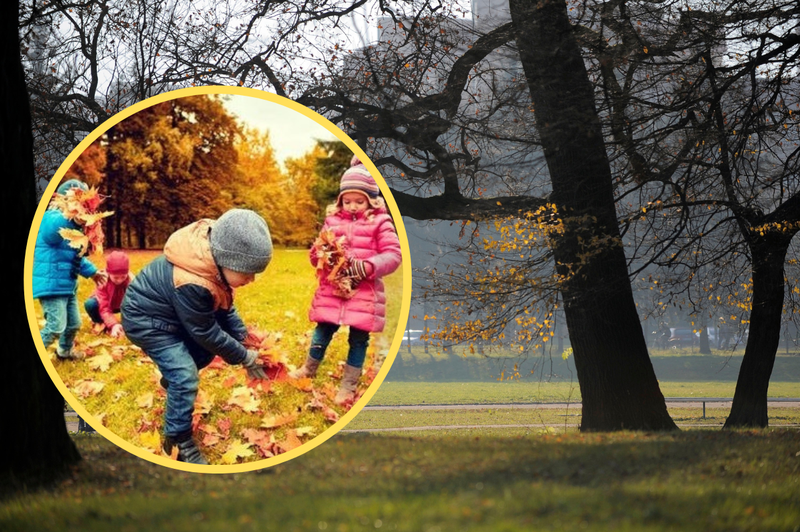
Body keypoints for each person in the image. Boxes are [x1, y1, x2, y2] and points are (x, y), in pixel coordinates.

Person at [120, 209, 272, 465]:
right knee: (185, 373)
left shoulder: (212, 268)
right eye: (247, 273)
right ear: (227, 262)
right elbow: (205, 331)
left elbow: (224, 308)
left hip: (172, 319)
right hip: (148, 323)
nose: (252, 280)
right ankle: (177, 439)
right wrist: (244, 356)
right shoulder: (193, 281)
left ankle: (176, 386)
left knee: (203, 353)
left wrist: (243, 336)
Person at [291, 156, 402, 405]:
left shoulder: (380, 222)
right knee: (322, 331)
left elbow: (394, 255)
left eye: (359, 201)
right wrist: (319, 253)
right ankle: (308, 368)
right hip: (333, 290)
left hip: (363, 292)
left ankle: (348, 386)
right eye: (347, 200)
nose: (352, 206)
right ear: (340, 200)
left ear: (371, 199)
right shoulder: (332, 221)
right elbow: (317, 251)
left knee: (359, 340)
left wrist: (368, 266)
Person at [33, 179, 107, 360]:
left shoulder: (75, 232)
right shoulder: (49, 218)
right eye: (76, 203)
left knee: (74, 323)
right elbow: (54, 228)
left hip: (67, 285)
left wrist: (93, 272)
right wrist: (73, 218)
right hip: (51, 283)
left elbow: (76, 257)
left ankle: (64, 352)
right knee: (56, 326)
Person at [84, 250, 133, 338]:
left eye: (123, 276)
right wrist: (113, 324)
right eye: (116, 277)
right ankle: (99, 322)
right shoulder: (103, 282)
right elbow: (104, 307)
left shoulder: (131, 281)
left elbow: (135, 302)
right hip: (106, 305)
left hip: (122, 305)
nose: (120, 280)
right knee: (90, 304)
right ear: (109, 273)